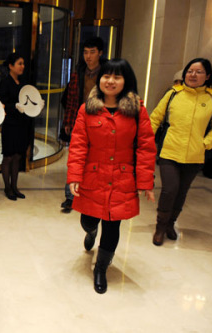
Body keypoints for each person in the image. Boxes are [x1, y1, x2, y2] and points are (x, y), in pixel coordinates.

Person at [67, 58, 156, 294]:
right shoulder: (87, 109)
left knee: (112, 225)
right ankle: (90, 231)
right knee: (88, 220)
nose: (111, 81)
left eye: (117, 76)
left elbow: (145, 147)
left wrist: (145, 182)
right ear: (100, 79)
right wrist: (74, 176)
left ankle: (101, 268)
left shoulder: (138, 110)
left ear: (126, 80)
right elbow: (78, 145)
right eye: (107, 76)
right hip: (92, 177)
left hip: (122, 178)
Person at [150, 58, 212, 246]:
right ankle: (160, 227)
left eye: (198, 72)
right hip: (169, 152)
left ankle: (170, 224)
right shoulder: (173, 94)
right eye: (190, 71)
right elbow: (155, 118)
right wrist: (146, 140)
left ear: (207, 76)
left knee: (182, 192)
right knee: (170, 189)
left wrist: (207, 143)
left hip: (195, 155)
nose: (193, 75)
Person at [61, 37, 106, 213]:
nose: (88, 56)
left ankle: (92, 194)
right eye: (85, 52)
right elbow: (71, 100)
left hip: (101, 124)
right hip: (80, 123)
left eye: (92, 52)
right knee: (75, 159)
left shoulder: (107, 75)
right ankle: (70, 197)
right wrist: (68, 122)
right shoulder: (78, 73)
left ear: (100, 53)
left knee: (97, 161)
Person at [0, 52, 37, 200]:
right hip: (10, 124)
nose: (22, 66)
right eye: (19, 63)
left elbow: (30, 99)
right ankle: (7, 188)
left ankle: (15, 186)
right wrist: (14, 106)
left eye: (23, 64)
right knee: (8, 156)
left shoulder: (24, 82)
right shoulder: (5, 83)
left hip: (23, 124)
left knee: (18, 156)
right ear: (11, 66)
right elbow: (1, 104)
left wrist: (37, 105)